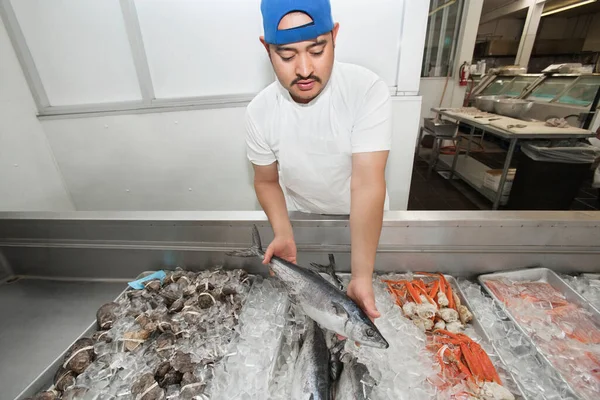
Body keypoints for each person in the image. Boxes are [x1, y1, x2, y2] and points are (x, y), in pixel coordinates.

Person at [245, 0, 392, 321]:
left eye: (317, 50)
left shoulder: (365, 89)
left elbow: (367, 183)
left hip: (362, 222)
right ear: (266, 48)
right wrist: (283, 231)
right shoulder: (260, 111)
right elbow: (266, 180)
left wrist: (361, 275)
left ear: (334, 35)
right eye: (286, 55)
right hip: (301, 219)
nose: (304, 69)